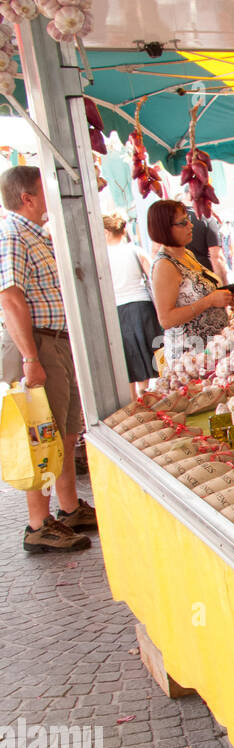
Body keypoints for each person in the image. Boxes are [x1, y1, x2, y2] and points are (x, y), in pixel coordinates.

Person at [0, 166, 96, 552]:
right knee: (41, 435)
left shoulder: (35, 235)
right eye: (46, 190)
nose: (52, 196)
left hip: (55, 342)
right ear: (28, 197)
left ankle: (69, 508)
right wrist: (29, 358)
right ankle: (39, 523)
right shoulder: (11, 233)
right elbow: (9, 298)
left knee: (66, 430)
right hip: (37, 345)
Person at [148, 199, 234, 371]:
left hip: (212, 349)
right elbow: (166, 319)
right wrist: (209, 301)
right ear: (164, 228)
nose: (191, 225)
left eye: (187, 219)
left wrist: (225, 296)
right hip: (190, 357)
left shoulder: (186, 254)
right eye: (183, 223)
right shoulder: (165, 265)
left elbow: (199, 291)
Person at [102, 210, 163, 397]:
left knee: (128, 354)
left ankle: (131, 398)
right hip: (142, 307)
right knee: (152, 350)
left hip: (118, 310)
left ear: (106, 232)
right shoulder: (135, 251)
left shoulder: (102, 258)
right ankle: (148, 389)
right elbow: (156, 277)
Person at [178, 190, 229, 284]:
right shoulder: (207, 219)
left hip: (184, 282)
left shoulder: (172, 222)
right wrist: (226, 287)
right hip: (207, 279)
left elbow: (155, 251)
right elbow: (216, 257)